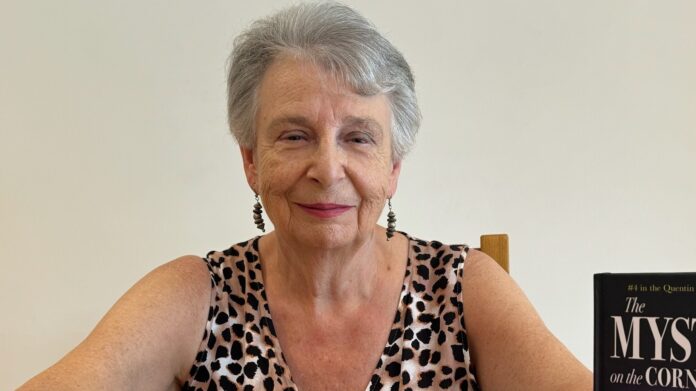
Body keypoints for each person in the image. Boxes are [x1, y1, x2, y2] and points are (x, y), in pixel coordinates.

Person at [19, 2, 591, 390]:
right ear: (250, 160)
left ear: (393, 168)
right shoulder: (196, 295)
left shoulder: (465, 288)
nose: (327, 168)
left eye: (358, 138)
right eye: (295, 136)